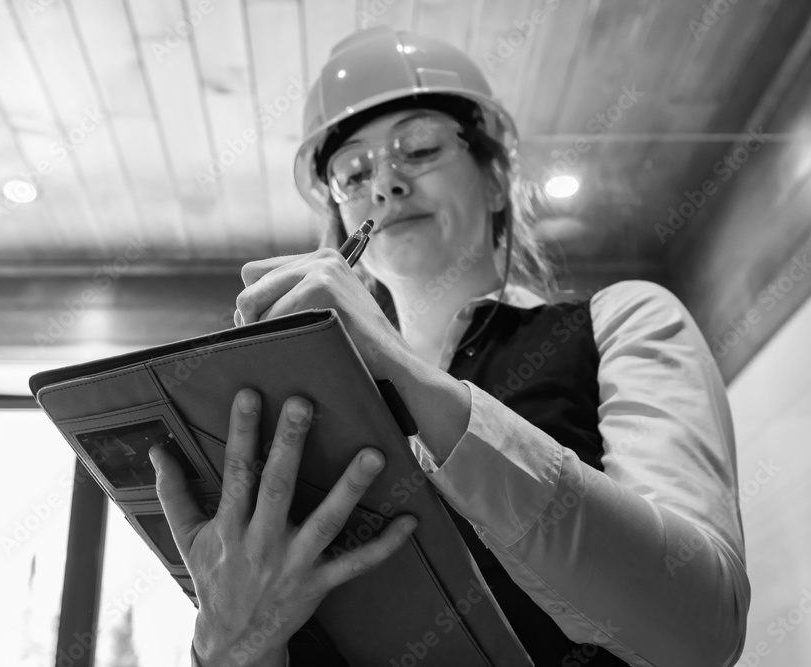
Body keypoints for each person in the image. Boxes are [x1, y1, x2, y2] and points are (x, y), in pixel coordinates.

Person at [149, 26, 750, 667]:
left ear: (496, 182)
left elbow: (700, 627)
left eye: (420, 148)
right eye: (353, 171)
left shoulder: (622, 320)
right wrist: (228, 645)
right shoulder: (308, 407)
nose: (385, 185)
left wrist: (407, 374)